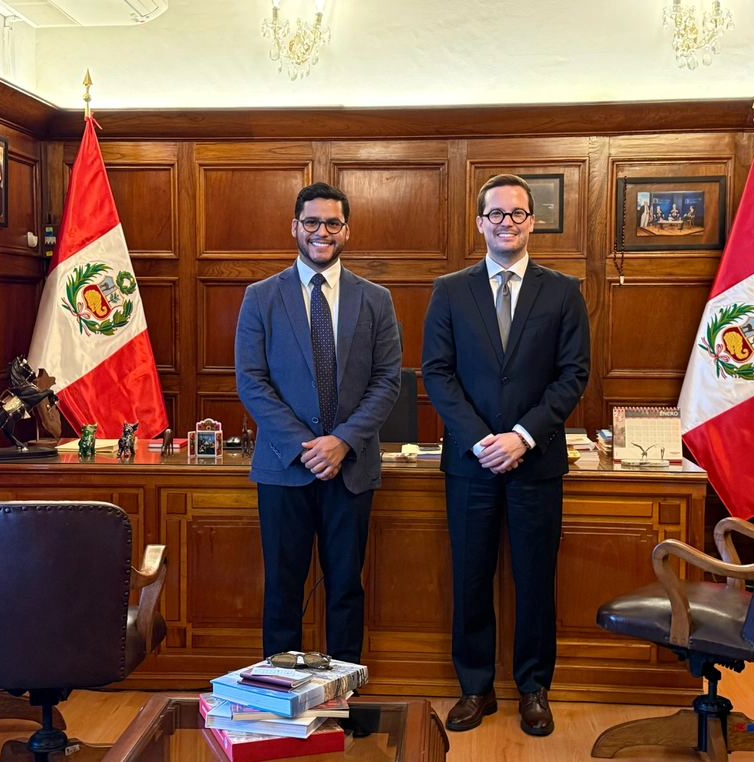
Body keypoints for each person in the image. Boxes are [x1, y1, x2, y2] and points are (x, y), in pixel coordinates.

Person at [422, 174, 590, 737]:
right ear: (479, 223)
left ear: (532, 222)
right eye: (495, 214)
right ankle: (475, 687)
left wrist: (522, 434)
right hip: (470, 463)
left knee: (535, 578)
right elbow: (438, 375)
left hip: (536, 462)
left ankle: (534, 688)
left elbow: (573, 376)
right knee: (470, 576)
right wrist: (479, 439)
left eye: (517, 214)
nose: (506, 223)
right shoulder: (450, 290)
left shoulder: (563, 291)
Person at [235, 182, 402, 665]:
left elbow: (387, 381)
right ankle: (280, 699)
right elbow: (252, 381)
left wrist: (342, 443)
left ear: (346, 230)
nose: (321, 232)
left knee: (346, 589)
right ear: (296, 227)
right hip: (284, 467)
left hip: (350, 469)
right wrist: (307, 445)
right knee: (282, 590)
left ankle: (344, 696)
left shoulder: (376, 300)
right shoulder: (261, 297)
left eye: (332, 223)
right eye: (312, 222)